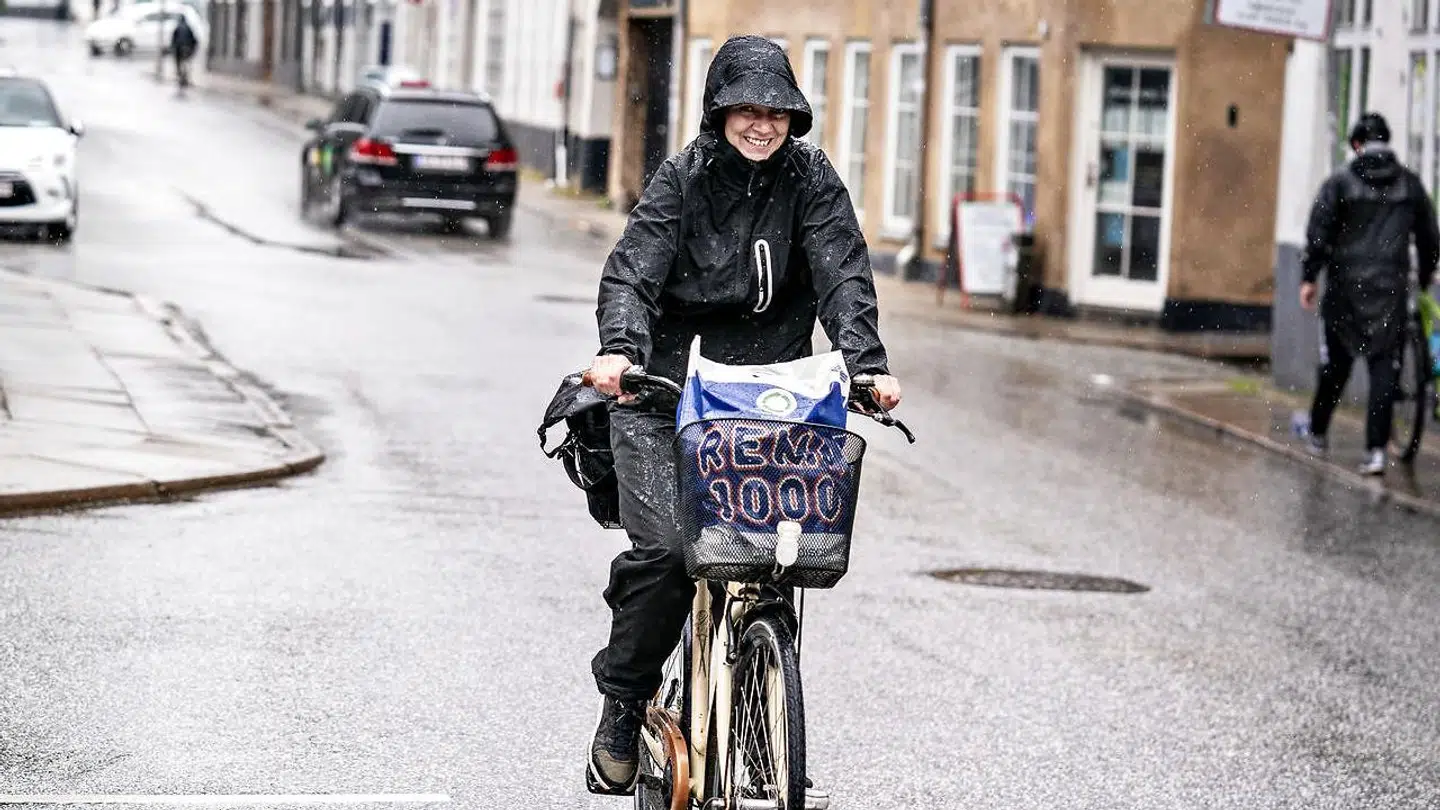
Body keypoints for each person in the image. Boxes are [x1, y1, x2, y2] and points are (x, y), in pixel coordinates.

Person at [582, 35, 902, 793]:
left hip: (770, 394)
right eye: (746, 110)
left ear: (795, 117)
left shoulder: (810, 180)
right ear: (719, 111)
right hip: (665, 395)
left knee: (780, 549)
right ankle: (625, 703)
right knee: (665, 553)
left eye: (776, 112)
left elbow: (842, 272)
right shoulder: (683, 180)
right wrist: (622, 355)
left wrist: (866, 366)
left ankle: (763, 706)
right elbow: (631, 273)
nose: (761, 125)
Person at [1300, 111, 1440, 475]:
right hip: (1389, 289)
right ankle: (1375, 451)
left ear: (1358, 145)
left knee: (1337, 365)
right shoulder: (1409, 185)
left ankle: (1317, 431)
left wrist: (1309, 277)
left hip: (1345, 287)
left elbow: (1319, 231)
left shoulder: (1340, 184)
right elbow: (1429, 236)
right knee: (1383, 369)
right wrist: (1424, 277)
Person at [169, 15, 198, 89]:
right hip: (187, 48)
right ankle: (185, 76)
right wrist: (193, 48)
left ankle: (180, 76)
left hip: (179, 48)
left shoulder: (177, 27)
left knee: (179, 63)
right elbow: (194, 39)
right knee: (186, 63)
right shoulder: (188, 27)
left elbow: (173, 40)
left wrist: (173, 48)